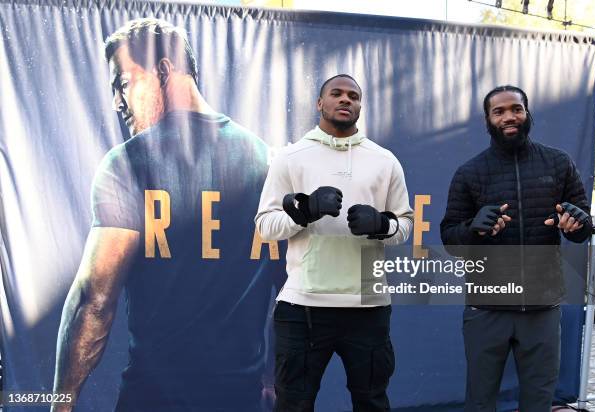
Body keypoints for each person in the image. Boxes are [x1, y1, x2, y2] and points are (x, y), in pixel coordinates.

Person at [52, 18, 274, 411]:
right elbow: (293, 292)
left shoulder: (129, 163)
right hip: (239, 400)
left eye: (123, 83)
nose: (118, 103)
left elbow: (94, 300)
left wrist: (61, 404)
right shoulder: (265, 160)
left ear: (164, 70)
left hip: (153, 400)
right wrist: (274, 379)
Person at [255, 74, 413, 412]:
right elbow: (266, 227)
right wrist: (304, 212)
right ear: (320, 103)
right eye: (336, 93)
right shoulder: (291, 157)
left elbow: (405, 226)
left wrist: (383, 224)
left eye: (353, 96)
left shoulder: (385, 161)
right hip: (303, 306)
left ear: (360, 105)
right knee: (293, 404)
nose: (346, 100)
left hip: (368, 306)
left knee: (371, 402)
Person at [440, 85, 592, 412]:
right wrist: (474, 229)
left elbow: (583, 227)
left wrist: (578, 223)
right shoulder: (469, 172)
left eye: (516, 109)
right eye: (499, 111)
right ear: (488, 120)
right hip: (486, 309)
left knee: (538, 401)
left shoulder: (558, 163)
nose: (509, 116)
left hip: (543, 306)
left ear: (527, 114)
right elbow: (450, 240)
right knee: (480, 402)